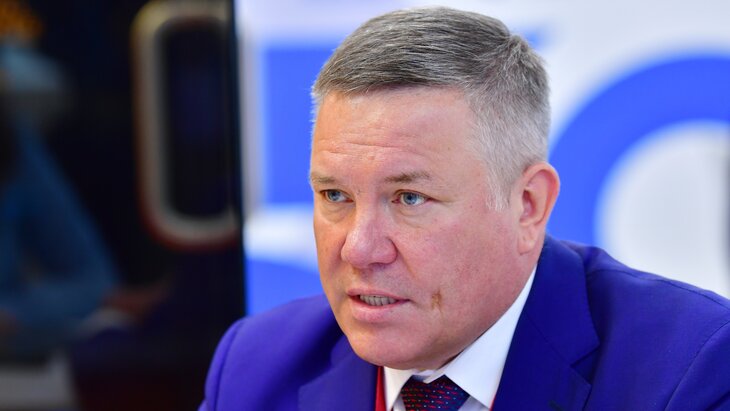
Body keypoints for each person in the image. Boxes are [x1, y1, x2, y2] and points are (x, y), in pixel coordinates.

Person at [199, 7, 730, 410]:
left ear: (528, 206)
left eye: (409, 198)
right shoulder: (255, 366)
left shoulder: (690, 370)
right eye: (335, 196)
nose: (359, 249)